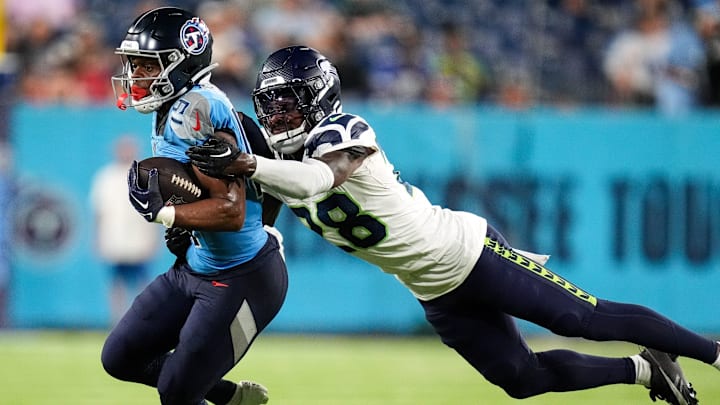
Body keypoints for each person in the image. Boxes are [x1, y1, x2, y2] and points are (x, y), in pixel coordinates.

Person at [186, 45, 720, 404]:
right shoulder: (276, 167)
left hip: (469, 253)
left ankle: (714, 352)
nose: (277, 117)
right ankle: (648, 370)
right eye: (269, 107)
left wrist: (248, 164)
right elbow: (269, 210)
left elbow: (317, 180)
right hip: (432, 288)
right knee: (519, 379)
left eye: (287, 104)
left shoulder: (342, 130)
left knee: (582, 318)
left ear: (318, 98)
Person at [100, 7, 288, 405]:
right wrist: (187, 225)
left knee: (176, 394)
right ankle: (226, 397)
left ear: (180, 63)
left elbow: (231, 211)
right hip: (196, 268)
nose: (135, 76)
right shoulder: (176, 108)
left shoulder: (196, 110)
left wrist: (166, 213)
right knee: (119, 357)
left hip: (240, 276)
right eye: (134, 65)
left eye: (147, 66)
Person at [90, 134, 159, 327]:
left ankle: (143, 321)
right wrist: (97, 238)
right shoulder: (106, 176)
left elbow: (155, 211)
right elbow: (99, 211)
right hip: (114, 240)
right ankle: (117, 322)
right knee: (116, 284)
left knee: (143, 284)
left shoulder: (146, 176)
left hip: (139, 240)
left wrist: (154, 238)